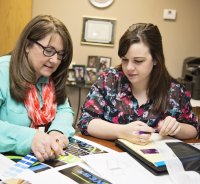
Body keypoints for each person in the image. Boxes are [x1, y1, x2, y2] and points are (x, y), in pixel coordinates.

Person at [78, 23, 198, 145]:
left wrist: (176, 128)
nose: (129, 67)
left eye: (138, 61)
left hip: (154, 160)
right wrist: (122, 131)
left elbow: (194, 129)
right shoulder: (109, 80)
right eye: (125, 60)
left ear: (156, 59)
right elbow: (86, 121)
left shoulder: (175, 91)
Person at [0, 15, 75, 162]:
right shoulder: (3, 71)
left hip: (37, 160)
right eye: (48, 50)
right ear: (27, 45)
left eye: (60, 54)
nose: (54, 60)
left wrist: (56, 132)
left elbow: (64, 109)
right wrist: (31, 138)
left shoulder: (51, 76)